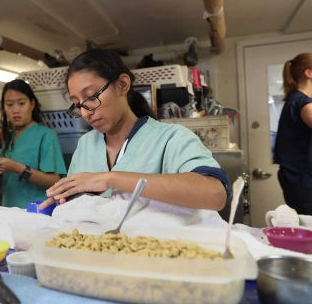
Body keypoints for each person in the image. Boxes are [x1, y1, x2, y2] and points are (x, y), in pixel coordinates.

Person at [40, 49, 229, 212]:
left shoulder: (170, 139)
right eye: (77, 104)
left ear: (122, 84)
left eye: (90, 97)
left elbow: (215, 194)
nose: (85, 112)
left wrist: (110, 179)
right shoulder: (86, 143)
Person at [0, 79, 67, 208]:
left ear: (32, 104)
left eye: (21, 103)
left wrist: (18, 168)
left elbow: (54, 181)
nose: (15, 110)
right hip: (10, 209)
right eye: (9, 105)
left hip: (36, 211)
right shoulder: (10, 136)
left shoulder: (46, 136)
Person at [274, 53, 312, 215]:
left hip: (298, 177)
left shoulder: (296, 100)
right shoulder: (302, 102)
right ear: (308, 73)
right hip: (301, 179)